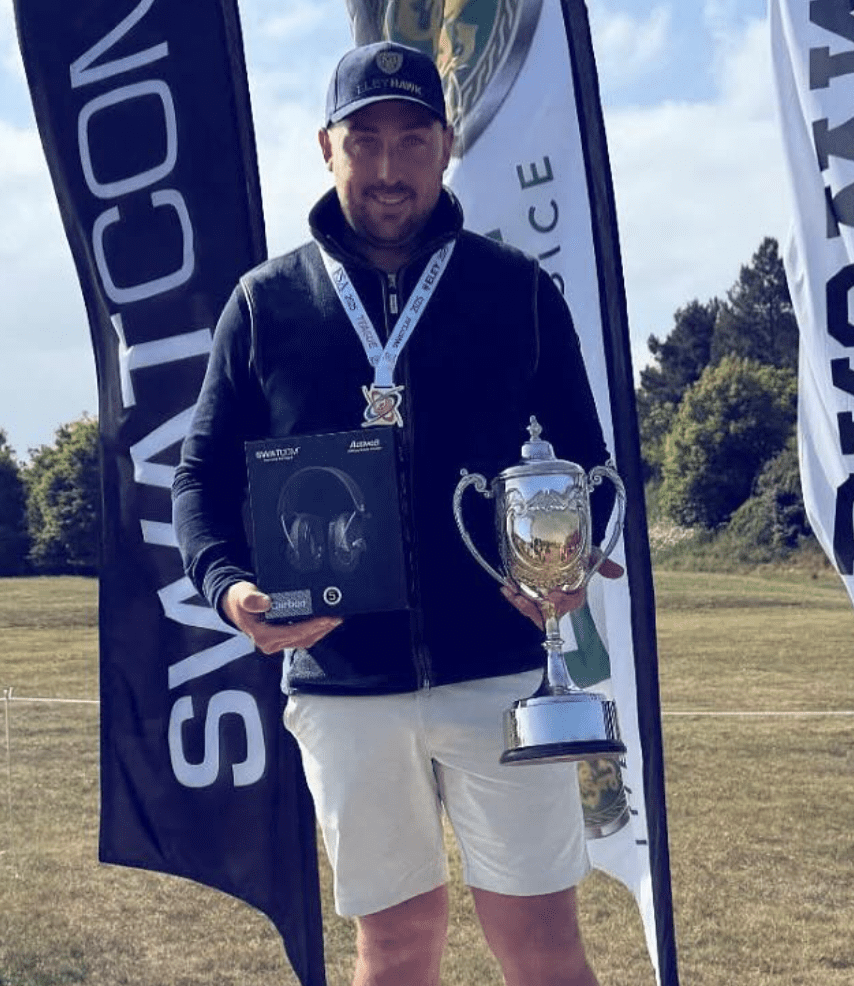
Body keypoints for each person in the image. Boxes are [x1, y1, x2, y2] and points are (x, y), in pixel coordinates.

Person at [173, 40, 621, 986]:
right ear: (325, 148)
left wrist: (575, 558)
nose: (388, 167)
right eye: (364, 140)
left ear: (446, 146)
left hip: (501, 673)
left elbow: (592, 465)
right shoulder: (264, 305)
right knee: (395, 947)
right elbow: (199, 480)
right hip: (343, 684)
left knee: (543, 946)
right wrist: (230, 588)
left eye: (412, 139)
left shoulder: (516, 290)